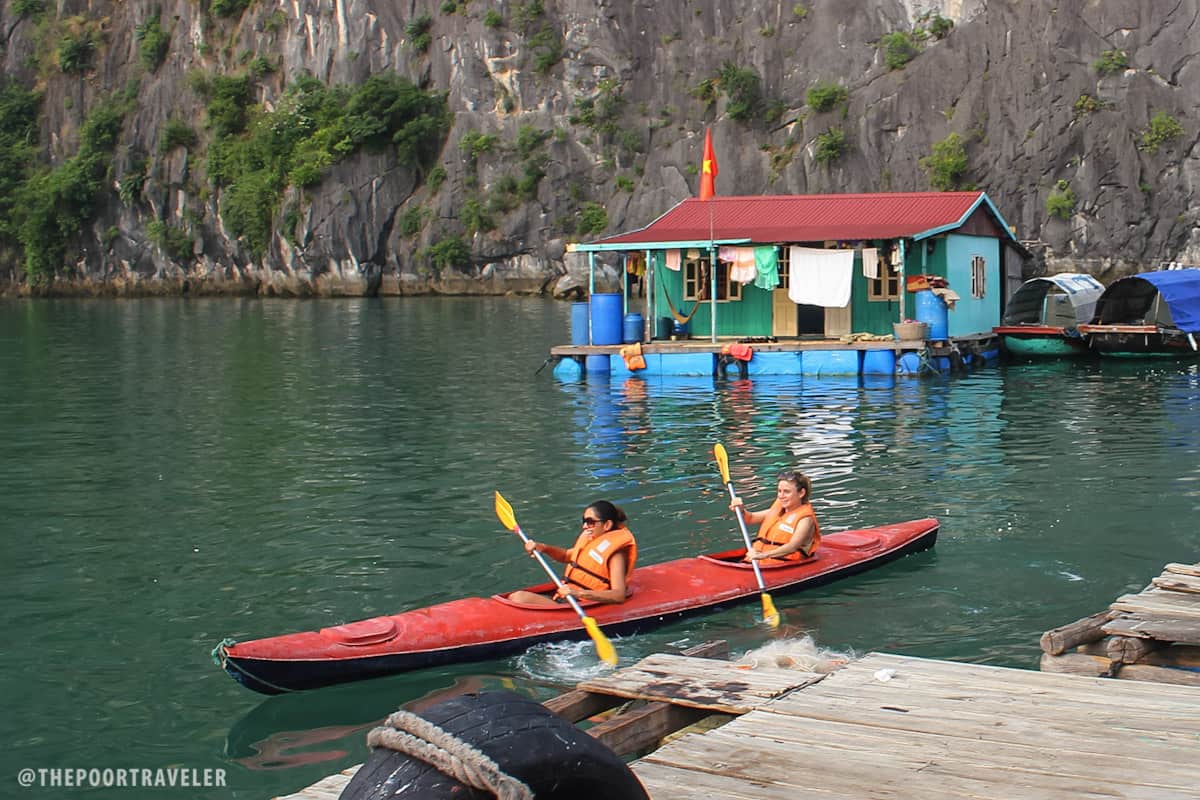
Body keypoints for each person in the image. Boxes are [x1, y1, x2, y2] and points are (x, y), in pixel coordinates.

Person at [507, 500, 637, 606]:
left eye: (590, 522)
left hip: (581, 603)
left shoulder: (616, 556)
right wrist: (543, 547)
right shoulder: (590, 540)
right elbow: (565, 556)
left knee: (519, 597)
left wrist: (578, 593)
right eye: (584, 521)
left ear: (607, 525)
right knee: (514, 597)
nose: (585, 526)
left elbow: (618, 595)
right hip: (567, 598)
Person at [729, 470, 821, 563]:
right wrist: (741, 510)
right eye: (779, 491)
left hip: (781, 565)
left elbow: (792, 546)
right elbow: (751, 518)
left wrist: (763, 555)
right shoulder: (777, 511)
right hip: (755, 563)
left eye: (786, 492)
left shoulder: (805, 520)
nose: (781, 496)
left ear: (801, 493)